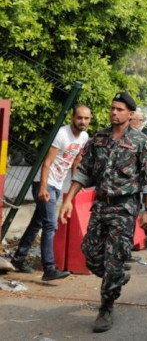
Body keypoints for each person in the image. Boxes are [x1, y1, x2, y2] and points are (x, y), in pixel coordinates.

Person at [59, 92, 147, 333]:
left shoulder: (140, 142)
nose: (114, 112)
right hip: (100, 205)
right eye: (112, 108)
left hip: (124, 208)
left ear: (130, 114)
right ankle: (117, 276)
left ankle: (106, 306)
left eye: (120, 109)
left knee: (113, 261)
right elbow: (83, 171)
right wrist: (68, 200)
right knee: (90, 254)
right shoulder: (98, 138)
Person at [11, 105, 91, 281]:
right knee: (50, 225)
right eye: (79, 118)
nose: (82, 121)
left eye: (86, 118)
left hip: (57, 183)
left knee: (37, 223)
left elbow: (77, 159)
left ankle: (19, 258)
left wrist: (75, 184)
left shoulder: (84, 137)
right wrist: (42, 188)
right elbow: (47, 162)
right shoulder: (62, 134)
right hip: (45, 182)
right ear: (72, 117)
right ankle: (49, 268)